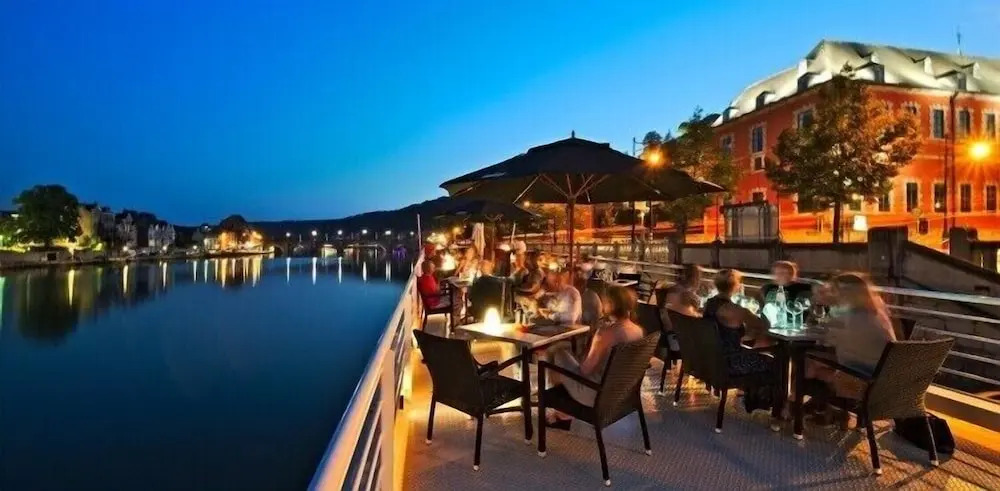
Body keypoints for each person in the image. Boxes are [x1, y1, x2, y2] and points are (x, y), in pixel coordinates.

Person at [545, 285, 644, 428]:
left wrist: (586, 350)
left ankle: (562, 413)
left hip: (595, 395)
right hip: (622, 393)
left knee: (557, 353)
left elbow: (585, 370)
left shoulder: (606, 334)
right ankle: (563, 413)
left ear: (610, 304)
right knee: (563, 358)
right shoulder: (638, 331)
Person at [809, 273, 897, 401]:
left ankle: (793, 405)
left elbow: (825, 341)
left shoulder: (847, 317)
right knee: (813, 362)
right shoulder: (877, 313)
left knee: (807, 364)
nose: (830, 294)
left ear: (844, 294)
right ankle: (815, 406)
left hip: (863, 382)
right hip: (887, 379)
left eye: (833, 290)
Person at [704, 269, 773, 362]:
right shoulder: (735, 310)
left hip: (713, 358)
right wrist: (762, 302)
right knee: (772, 360)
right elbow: (765, 325)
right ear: (736, 286)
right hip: (732, 360)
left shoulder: (709, 304)